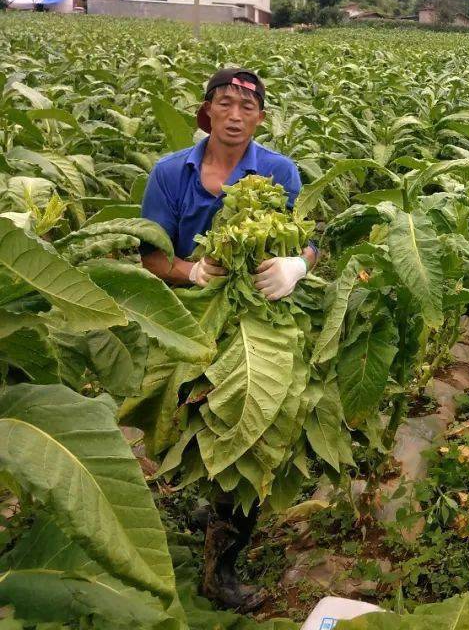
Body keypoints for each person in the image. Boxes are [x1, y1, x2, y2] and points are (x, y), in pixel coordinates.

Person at [139, 68, 317, 610]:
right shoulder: (170, 174)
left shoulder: (281, 172)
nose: (235, 116)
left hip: (261, 320)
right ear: (206, 111)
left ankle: (221, 570)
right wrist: (189, 272)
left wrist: (296, 266)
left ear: (261, 117)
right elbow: (149, 256)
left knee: (250, 427)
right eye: (225, 104)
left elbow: (310, 240)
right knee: (190, 421)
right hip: (190, 319)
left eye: (247, 107)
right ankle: (211, 503)